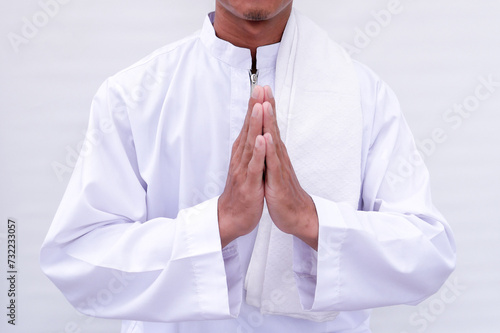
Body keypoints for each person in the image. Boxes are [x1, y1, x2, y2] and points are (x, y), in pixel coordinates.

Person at [41, 1, 456, 332]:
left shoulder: (366, 96)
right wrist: (217, 224)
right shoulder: (134, 95)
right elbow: (77, 260)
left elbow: (429, 254)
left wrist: (311, 219)